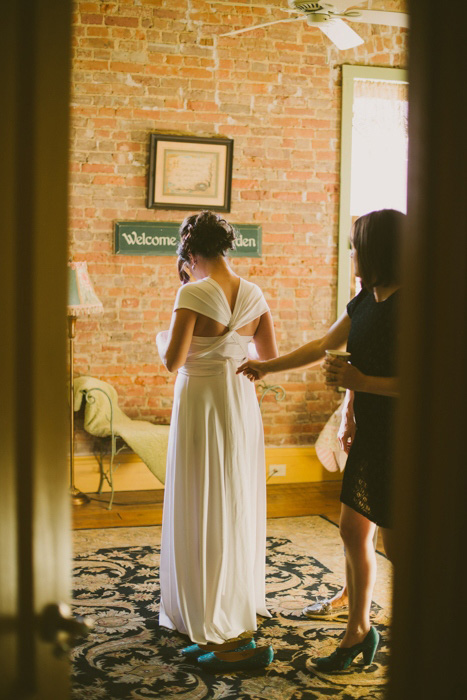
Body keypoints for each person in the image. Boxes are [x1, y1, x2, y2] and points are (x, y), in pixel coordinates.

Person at [238, 208, 403, 672]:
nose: (350, 253)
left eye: (355, 245)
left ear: (376, 249)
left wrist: (360, 381)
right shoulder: (365, 300)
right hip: (371, 433)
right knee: (353, 529)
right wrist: (267, 366)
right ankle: (359, 631)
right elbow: (321, 346)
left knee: (397, 543)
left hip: (405, 438)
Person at [156, 211, 278, 666]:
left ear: (190, 249)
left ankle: (203, 612)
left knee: (199, 497)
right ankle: (233, 601)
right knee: (233, 498)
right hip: (240, 406)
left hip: (200, 405)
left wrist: (182, 306)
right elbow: (267, 359)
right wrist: (231, 348)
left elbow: (172, 361)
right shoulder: (255, 293)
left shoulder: (192, 291)